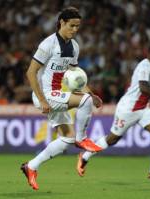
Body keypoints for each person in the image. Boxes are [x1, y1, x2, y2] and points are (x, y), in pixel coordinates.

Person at [21, 7, 103, 190]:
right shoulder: (48, 44)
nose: (75, 30)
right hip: (46, 95)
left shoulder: (74, 46)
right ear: (62, 23)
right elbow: (31, 72)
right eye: (72, 26)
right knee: (83, 103)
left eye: (78, 26)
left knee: (67, 138)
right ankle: (83, 140)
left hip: (58, 93)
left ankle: (31, 166)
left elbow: (75, 75)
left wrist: (90, 93)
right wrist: (42, 100)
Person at [77, 44, 150, 181]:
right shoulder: (144, 66)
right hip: (128, 108)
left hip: (142, 109)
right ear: (148, 55)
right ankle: (85, 156)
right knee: (112, 139)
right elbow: (143, 87)